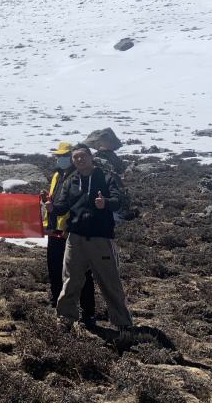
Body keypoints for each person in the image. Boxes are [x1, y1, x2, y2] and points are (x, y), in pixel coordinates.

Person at [52, 144, 133, 331]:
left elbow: (118, 202)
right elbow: (62, 206)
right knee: (71, 279)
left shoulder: (106, 177)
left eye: (82, 156)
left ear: (91, 157)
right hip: (76, 238)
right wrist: (52, 208)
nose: (79, 160)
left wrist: (105, 203)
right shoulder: (71, 180)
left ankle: (122, 323)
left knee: (109, 281)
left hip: (100, 238)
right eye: (76, 158)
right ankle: (65, 319)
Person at [41, 141, 96, 327]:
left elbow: (77, 206)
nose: (61, 159)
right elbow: (56, 203)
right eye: (59, 156)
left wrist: (68, 227)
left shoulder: (77, 177)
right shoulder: (58, 175)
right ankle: (57, 302)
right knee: (55, 268)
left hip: (70, 232)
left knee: (80, 272)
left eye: (65, 156)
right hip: (54, 230)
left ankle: (88, 312)